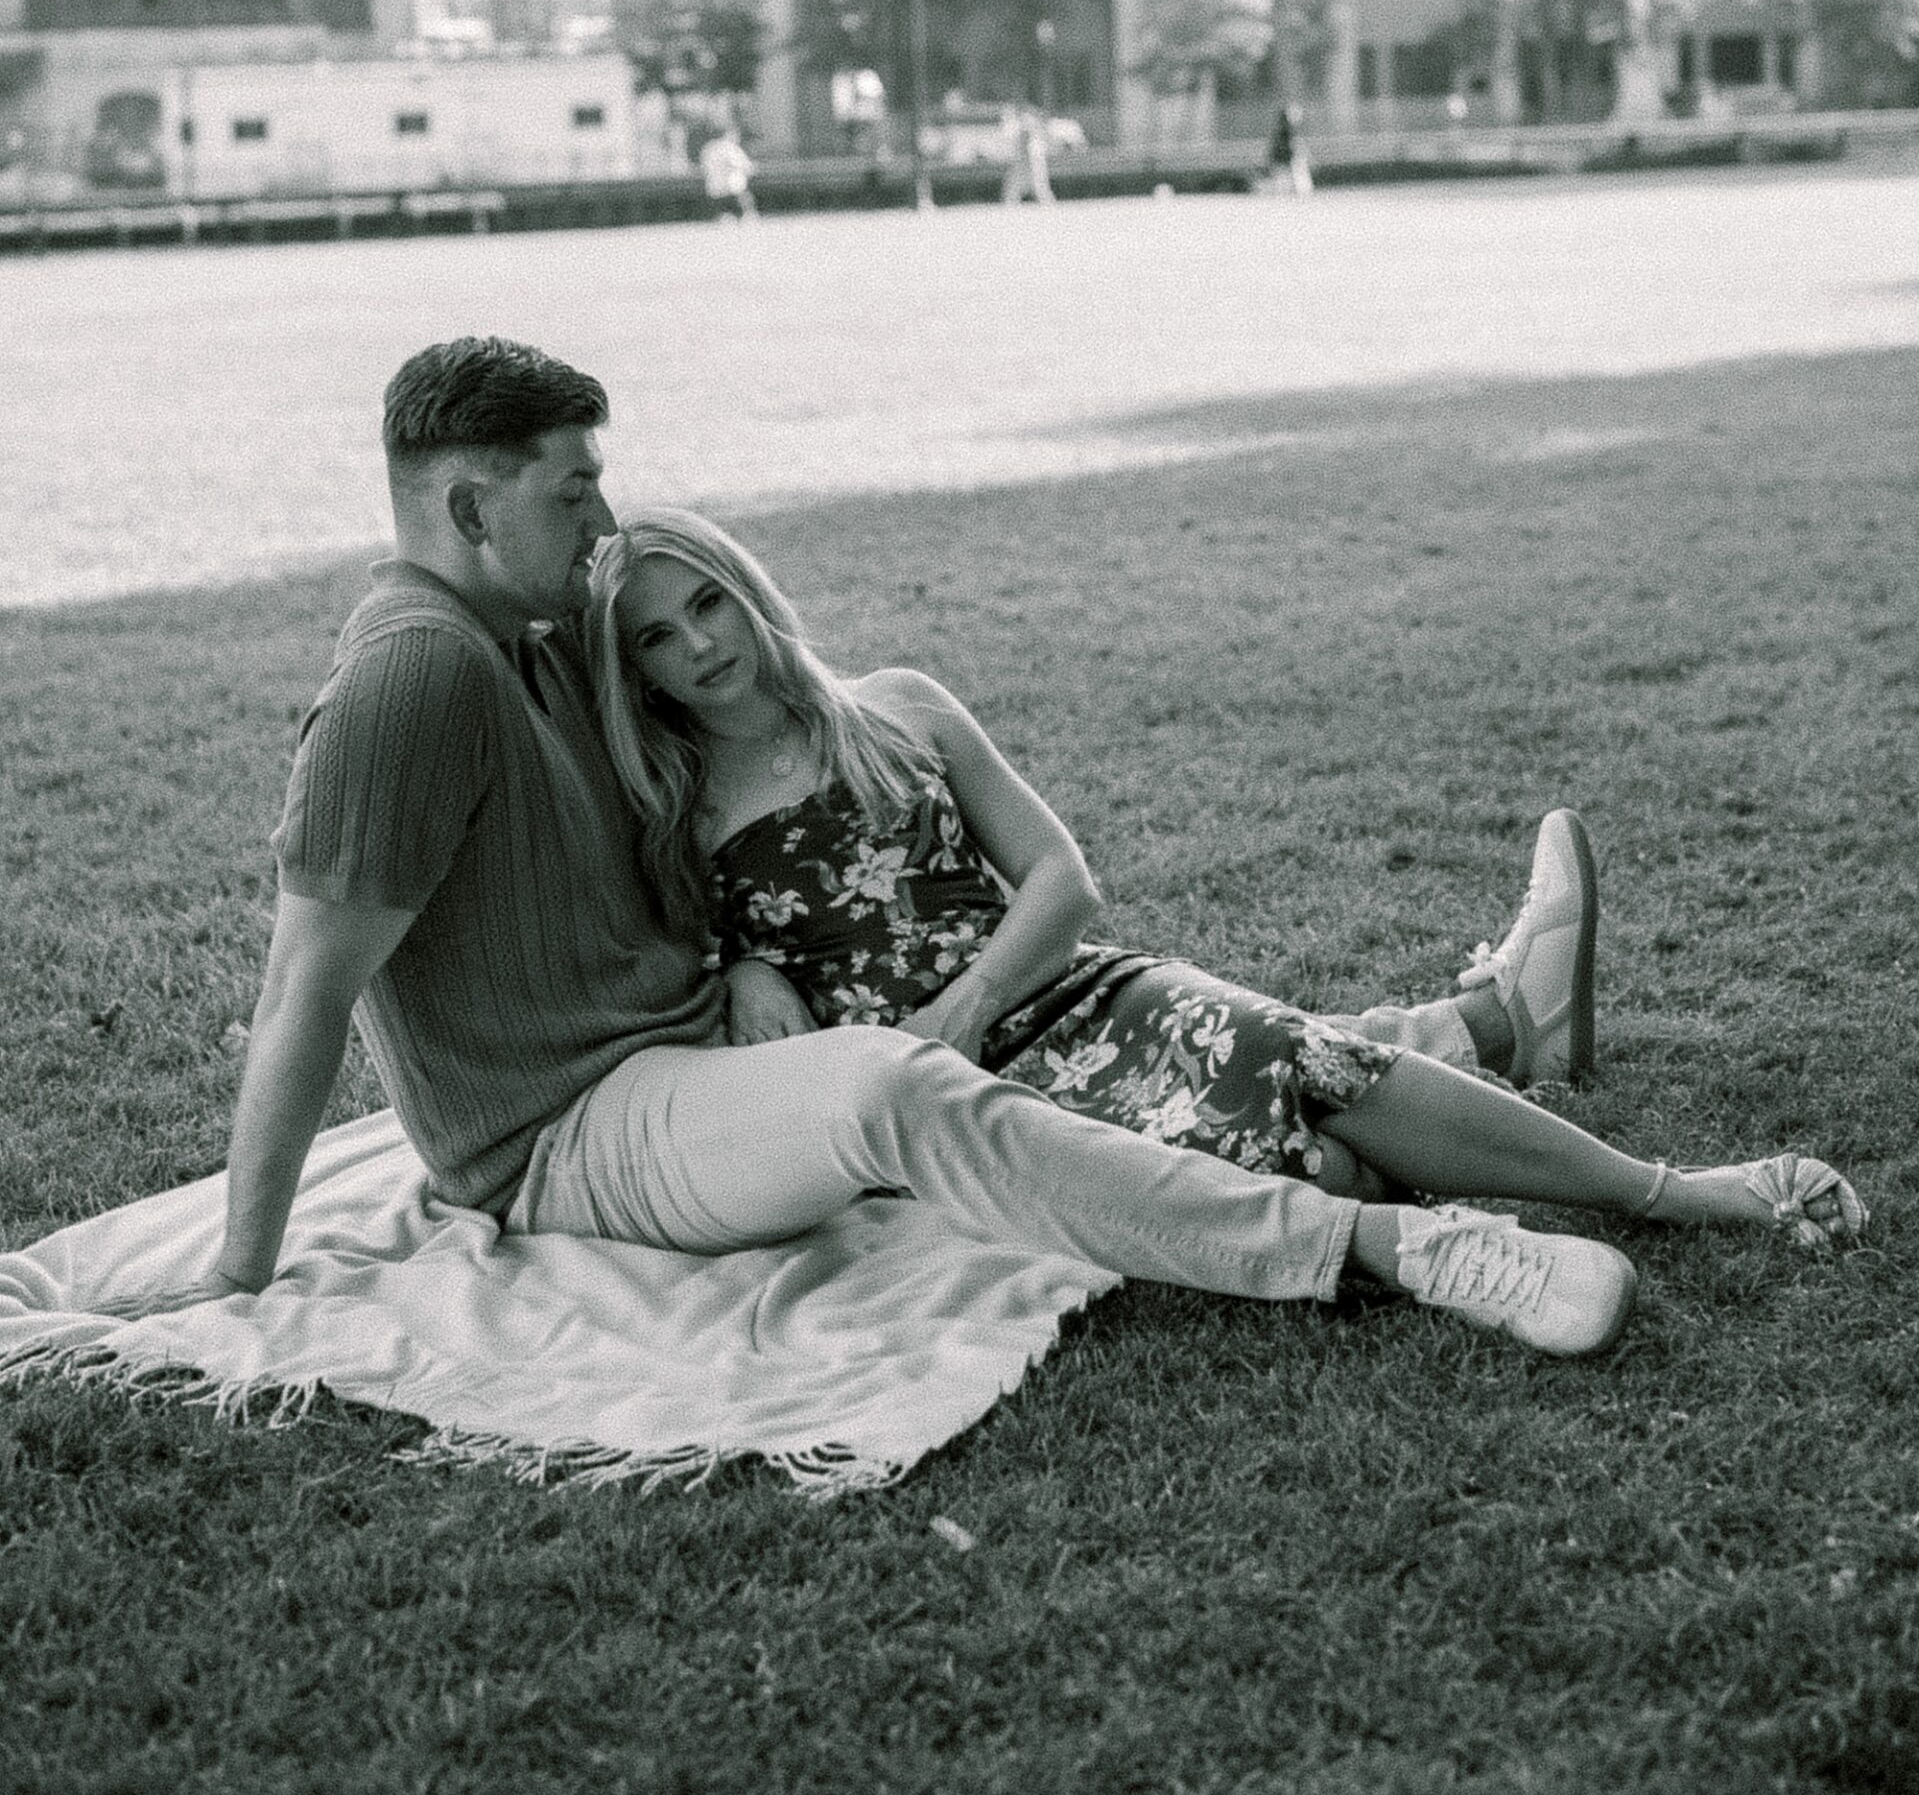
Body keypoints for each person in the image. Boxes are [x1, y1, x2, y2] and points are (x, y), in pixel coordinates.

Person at [187, 341, 1864, 1372]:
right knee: (894, 1090)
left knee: (1275, 1058)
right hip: (564, 1136)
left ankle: (1519, 1060)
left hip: (716, 1053)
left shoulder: (548, 634)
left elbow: (672, 816)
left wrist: (742, 971)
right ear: (473, 513)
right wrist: (240, 1278)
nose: (607, 520)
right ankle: (1407, 1233)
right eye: (572, 493)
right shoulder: (415, 670)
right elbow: (303, 992)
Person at [583, 507, 1868, 1329]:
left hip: (1067, 993)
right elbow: (699, 996)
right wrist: (748, 961)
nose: (697, 645)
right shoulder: (672, 818)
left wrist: (961, 1008)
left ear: (748, 591)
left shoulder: (898, 707)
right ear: (631, 672)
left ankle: (1670, 1193)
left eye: (707, 602)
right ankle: (1488, 1082)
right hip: (951, 1105)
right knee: (1326, 1171)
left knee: (1306, 1055)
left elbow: (1061, 878)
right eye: (654, 637)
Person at [698, 125, 757, 221]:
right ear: (727, 134)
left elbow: (703, 166)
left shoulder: (708, 147)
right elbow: (742, 165)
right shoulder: (729, 146)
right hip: (728, 182)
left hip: (714, 184)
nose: (737, 137)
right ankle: (748, 213)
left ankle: (724, 215)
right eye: (735, 134)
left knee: (722, 198)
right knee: (741, 190)